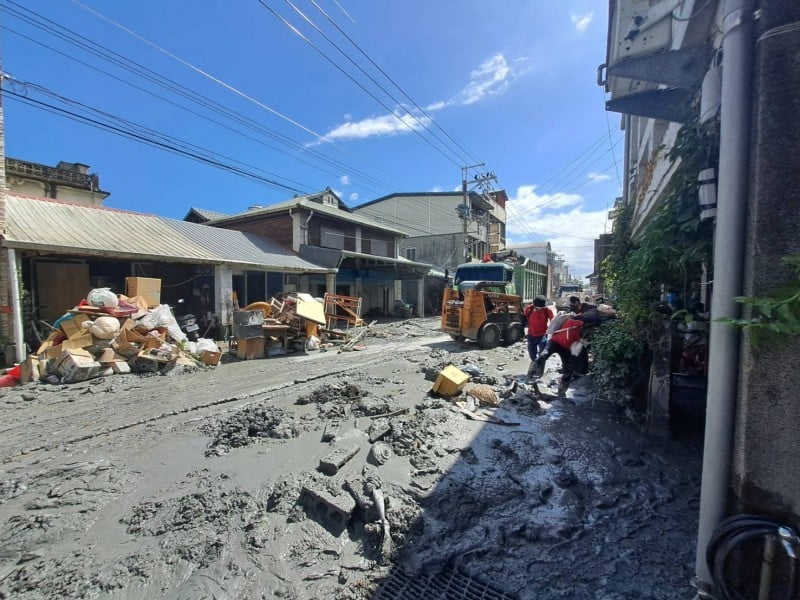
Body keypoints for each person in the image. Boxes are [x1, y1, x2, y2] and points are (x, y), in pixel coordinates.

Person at [523, 295, 553, 361]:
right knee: (531, 352)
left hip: (542, 335)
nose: (540, 309)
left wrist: (553, 331)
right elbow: (523, 319)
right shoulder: (529, 309)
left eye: (541, 307)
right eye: (538, 307)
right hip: (531, 335)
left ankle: (540, 363)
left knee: (542, 352)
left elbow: (553, 321)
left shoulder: (547, 310)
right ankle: (534, 362)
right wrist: (521, 330)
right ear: (534, 305)